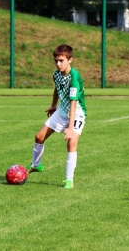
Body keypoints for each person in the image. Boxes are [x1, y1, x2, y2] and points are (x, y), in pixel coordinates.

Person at [26, 44, 87, 189]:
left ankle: (69, 180)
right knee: (39, 137)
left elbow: (73, 103)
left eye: (61, 60)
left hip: (76, 113)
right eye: (56, 61)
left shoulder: (74, 79)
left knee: (71, 142)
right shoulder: (56, 75)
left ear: (70, 60)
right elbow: (57, 88)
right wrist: (54, 105)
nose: (58, 64)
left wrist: (70, 128)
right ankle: (36, 165)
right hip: (61, 111)